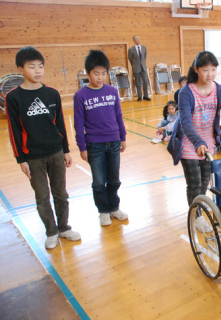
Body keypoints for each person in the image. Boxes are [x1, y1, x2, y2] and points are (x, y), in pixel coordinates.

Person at [166, 51, 221, 232]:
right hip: (189, 143)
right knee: (193, 183)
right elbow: (185, 122)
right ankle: (196, 216)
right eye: (205, 70)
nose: (210, 74)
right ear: (196, 70)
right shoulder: (186, 92)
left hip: (207, 143)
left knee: (204, 181)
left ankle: (198, 205)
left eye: (213, 69)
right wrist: (198, 142)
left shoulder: (220, 90)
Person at [6, 47, 80, 249]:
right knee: (42, 198)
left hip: (56, 152)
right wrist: (21, 159)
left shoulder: (52, 93)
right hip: (33, 156)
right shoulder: (13, 98)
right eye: (32, 67)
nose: (38, 70)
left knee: (61, 193)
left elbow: (61, 125)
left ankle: (64, 228)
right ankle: (51, 231)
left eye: (40, 66)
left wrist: (65, 150)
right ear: (21, 69)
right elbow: (13, 130)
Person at [74, 50, 128, 227]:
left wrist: (123, 136)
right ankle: (103, 211)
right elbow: (78, 123)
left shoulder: (112, 91)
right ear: (88, 73)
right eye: (96, 73)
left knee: (114, 179)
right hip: (94, 144)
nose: (100, 77)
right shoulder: (80, 96)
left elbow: (118, 116)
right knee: (98, 181)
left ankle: (114, 207)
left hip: (113, 141)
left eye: (103, 73)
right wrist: (82, 147)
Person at [128, 35, 151, 102]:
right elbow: (130, 59)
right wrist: (134, 65)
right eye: (136, 39)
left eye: (139, 39)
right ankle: (139, 96)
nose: (138, 40)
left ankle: (146, 96)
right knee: (137, 83)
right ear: (134, 41)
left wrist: (142, 64)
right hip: (136, 68)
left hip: (143, 67)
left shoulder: (144, 47)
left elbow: (144, 57)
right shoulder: (131, 49)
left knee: (145, 81)